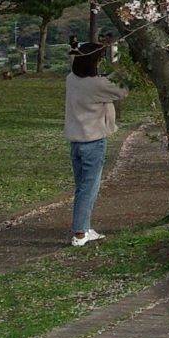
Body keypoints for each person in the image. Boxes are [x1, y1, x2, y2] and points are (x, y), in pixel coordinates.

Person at [64, 47, 129, 246]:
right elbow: (122, 91)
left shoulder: (71, 79)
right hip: (93, 141)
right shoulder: (97, 84)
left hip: (76, 142)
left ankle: (84, 227)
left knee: (82, 187)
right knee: (89, 188)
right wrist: (120, 71)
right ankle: (80, 233)